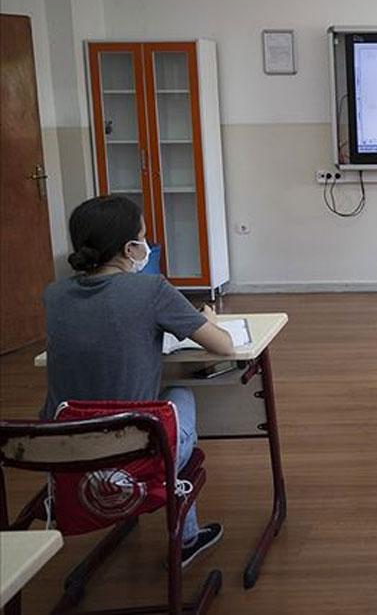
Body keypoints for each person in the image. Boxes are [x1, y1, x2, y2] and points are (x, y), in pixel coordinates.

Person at [42, 195, 234, 568]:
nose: (146, 245)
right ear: (130, 248)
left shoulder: (54, 295)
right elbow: (223, 345)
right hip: (133, 455)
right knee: (178, 394)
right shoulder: (150, 290)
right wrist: (207, 318)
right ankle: (185, 539)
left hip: (61, 453)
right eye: (143, 238)